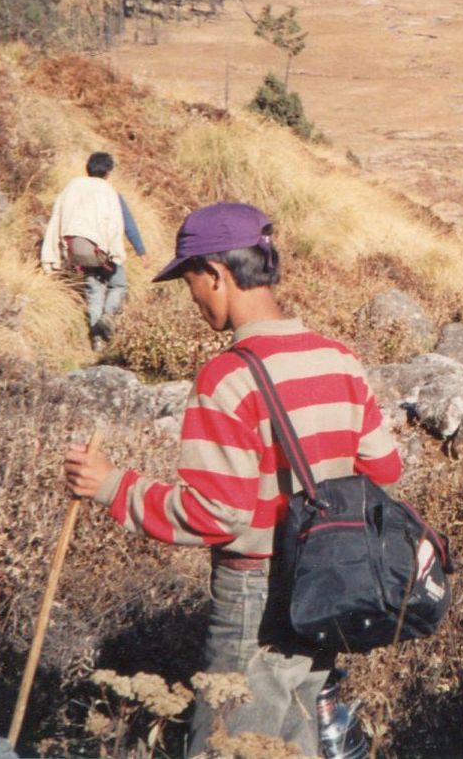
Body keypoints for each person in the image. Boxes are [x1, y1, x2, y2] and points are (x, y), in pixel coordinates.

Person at [61, 202, 401, 757]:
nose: (192, 299)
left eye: (190, 281)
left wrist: (110, 485)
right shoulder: (338, 359)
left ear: (216, 274)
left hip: (255, 595)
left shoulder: (228, 377)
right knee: (298, 741)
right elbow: (385, 468)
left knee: (231, 743)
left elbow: (217, 514)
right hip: (325, 586)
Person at [40, 152, 148, 350]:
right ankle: (107, 317)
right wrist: (141, 251)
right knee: (118, 285)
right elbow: (127, 224)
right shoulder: (109, 192)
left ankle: (97, 340)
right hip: (101, 250)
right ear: (108, 172)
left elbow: (57, 217)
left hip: (77, 250)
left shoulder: (72, 189)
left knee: (94, 291)